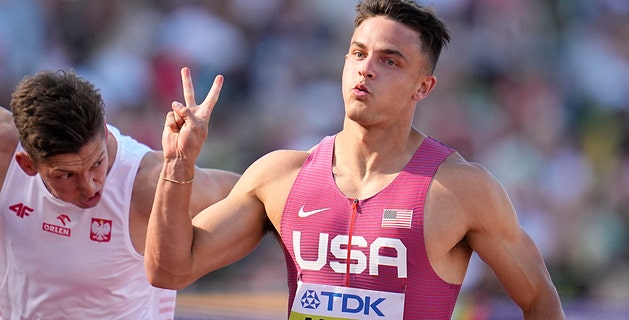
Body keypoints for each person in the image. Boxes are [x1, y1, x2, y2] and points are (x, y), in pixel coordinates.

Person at [145, 0, 565, 319]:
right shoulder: (280, 175)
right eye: (358, 53)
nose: (366, 69)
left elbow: (538, 299)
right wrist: (177, 166)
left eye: (389, 60)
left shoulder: (461, 189)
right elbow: (170, 271)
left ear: (423, 87)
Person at [0, 69, 239, 319]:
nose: (90, 187)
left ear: (104, 130)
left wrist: (182, 163)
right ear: (27, 164)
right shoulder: (5, 155)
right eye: (67, 175)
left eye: (97, 163)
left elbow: (254, 192)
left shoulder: (149, 184)